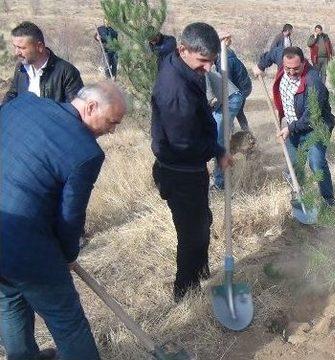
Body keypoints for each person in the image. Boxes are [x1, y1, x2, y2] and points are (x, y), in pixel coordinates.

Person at [0, 81, 127, 360]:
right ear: (91, 107)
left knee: (9, 301)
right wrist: (68, 254)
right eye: (111, 122)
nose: (112, 130)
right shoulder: (86, 152)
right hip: (26, 245)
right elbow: (71, 216)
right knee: (67, 322)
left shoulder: (23, 104)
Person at [151, 22, 233, 302]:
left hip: (191, 170)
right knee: (191, 235)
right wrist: (217, 149)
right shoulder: (175, 90)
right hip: (180, 172)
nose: (208, 69)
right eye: (203, 61)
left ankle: (200, 271)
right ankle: (185, 292)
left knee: (202, 223)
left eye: (211, 61)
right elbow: (184, 143)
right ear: (182, 50)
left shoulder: (181, 63)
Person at [271, 46, 335, 205]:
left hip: (316, 128)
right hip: (294, 126)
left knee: (316, 163)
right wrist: (260, 66)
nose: (291, 72)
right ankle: (299, 197)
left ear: (303, 62)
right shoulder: (283, 59)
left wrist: (289, 128)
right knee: (293, 166)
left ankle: (328, 200)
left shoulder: (313, 82)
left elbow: (311, 117)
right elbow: (272, 53)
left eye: (295, 68)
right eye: (287, 68)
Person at [3, 21, 83, 104]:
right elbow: (12, 94)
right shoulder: (21, 68)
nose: (17, 52)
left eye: (22, 48)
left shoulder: (67, 72)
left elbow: (75, 110)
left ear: (39, 47)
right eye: (15, 47)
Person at [216, 32, 252, 132]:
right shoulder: (226, 53)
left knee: (230, 109)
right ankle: (245, 131)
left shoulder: (224, 60)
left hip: (241, 88)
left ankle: (235, 133)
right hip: (243, 85)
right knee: (237, 110)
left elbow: (227, 84)